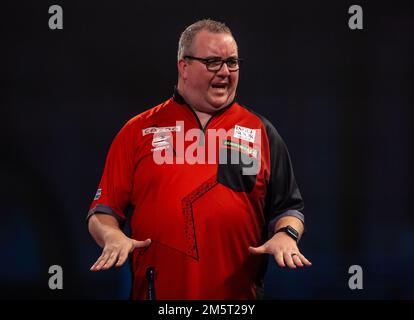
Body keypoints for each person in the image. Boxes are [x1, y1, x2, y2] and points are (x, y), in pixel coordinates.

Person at [87, 19, 311, 300]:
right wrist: (112, 236)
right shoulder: (137, 131)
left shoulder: (260, 132)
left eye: (232, 62)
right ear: (184, 66)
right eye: (213, 62)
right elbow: (102, 212)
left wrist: (286, 235)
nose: (225, 72)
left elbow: (289, 209)